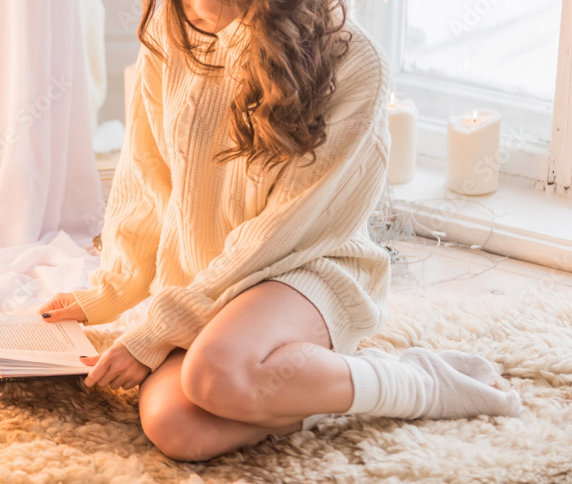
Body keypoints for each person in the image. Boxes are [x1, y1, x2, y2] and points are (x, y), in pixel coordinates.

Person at [39, 0, 521, 462]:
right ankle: (295, 388)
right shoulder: (171, 29)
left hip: (304, 267)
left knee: (216, 372)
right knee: (178, 427)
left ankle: (415, 382)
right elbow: (147, 180)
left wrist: (161, 329)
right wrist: (108, 294)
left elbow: (283, 231)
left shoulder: (351, 60)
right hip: (201, 283)